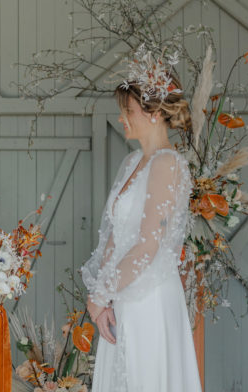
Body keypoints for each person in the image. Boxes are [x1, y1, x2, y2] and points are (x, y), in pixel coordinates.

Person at [81, 71, 202, 392]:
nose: (122, 118)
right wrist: (103, 300)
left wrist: (101, 292)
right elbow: (113, 236)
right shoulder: (132, 161)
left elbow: (149, 245)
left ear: (156, 113)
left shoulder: (168, 164)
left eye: (129, 111)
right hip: (120, 295)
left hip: (149, 297)